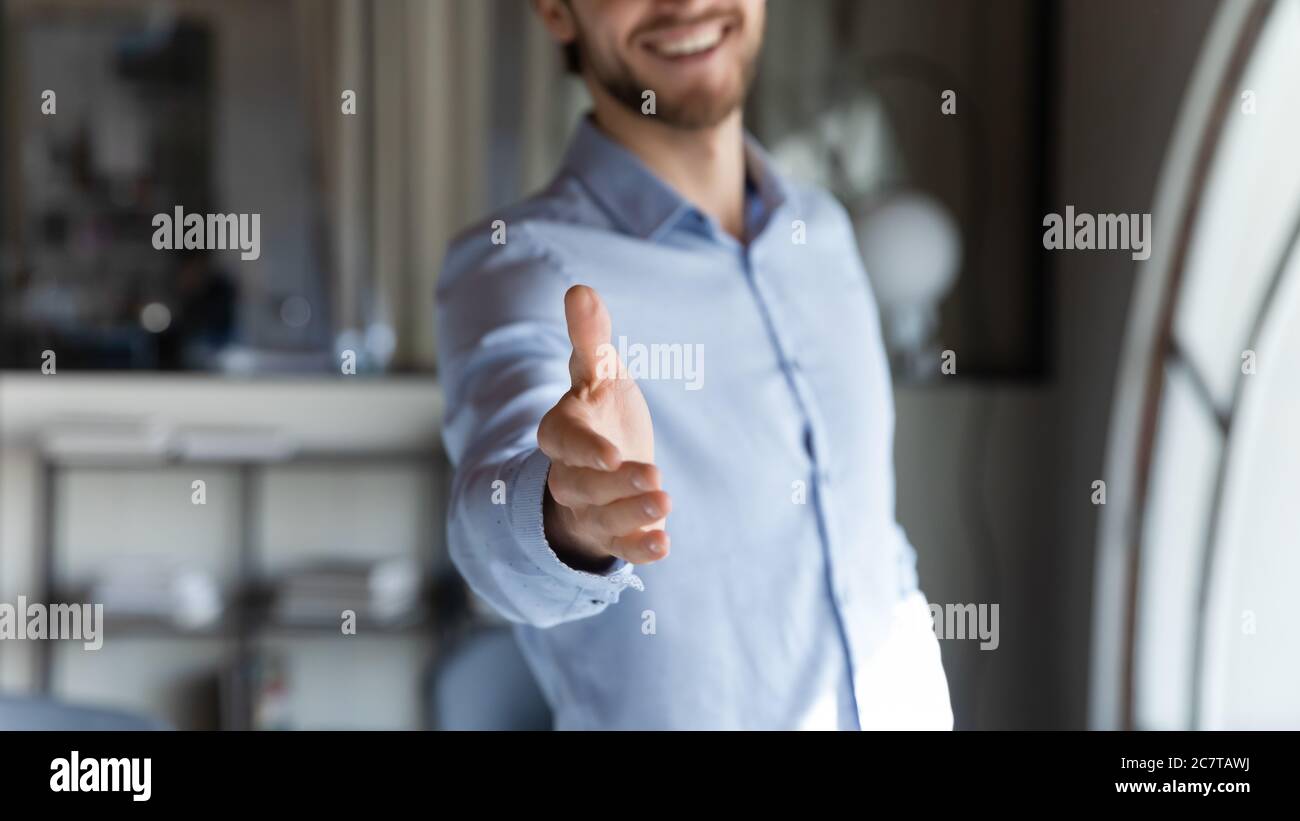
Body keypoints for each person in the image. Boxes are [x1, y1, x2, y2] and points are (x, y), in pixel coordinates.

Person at [436, 0, 952, 730]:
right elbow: (486, 520)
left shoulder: (826, 234)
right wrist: (568, 514)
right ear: (556, 10)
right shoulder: (518, 265)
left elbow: (868, 531)